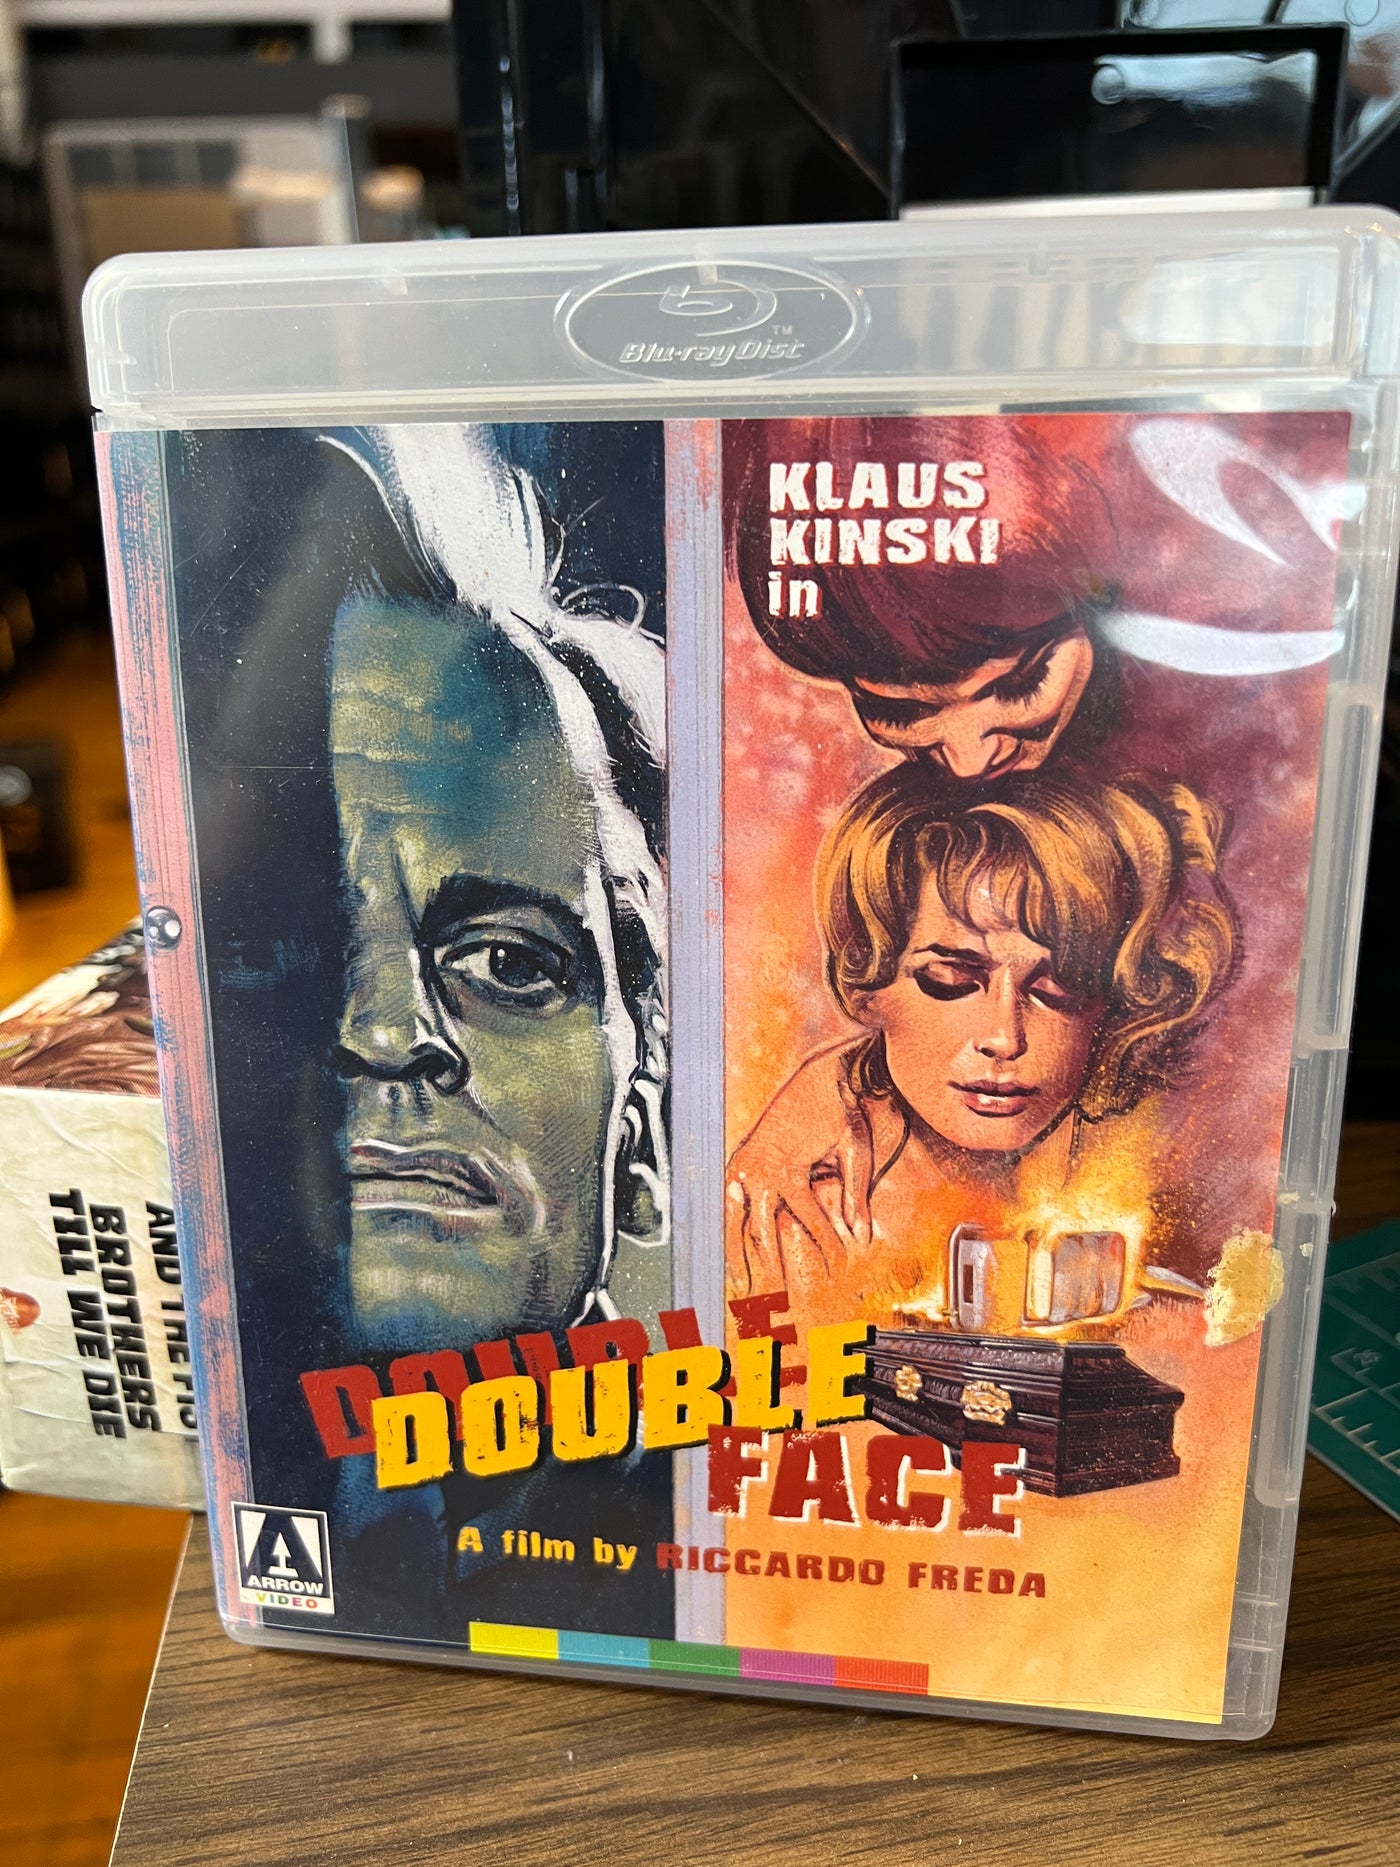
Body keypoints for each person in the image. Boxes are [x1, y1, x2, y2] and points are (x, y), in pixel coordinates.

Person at [319, 426, 673, 1636]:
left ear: (642, 1118)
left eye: (512, 963)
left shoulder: (734, 1552)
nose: (388, 1032)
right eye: (301, 941)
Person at [728, 761, 1237, 1324]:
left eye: (1059, 987)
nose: (1004, 1038)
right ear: (868, 985)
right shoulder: (805, 1223)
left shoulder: (1149, 1188)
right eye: (950, 978)